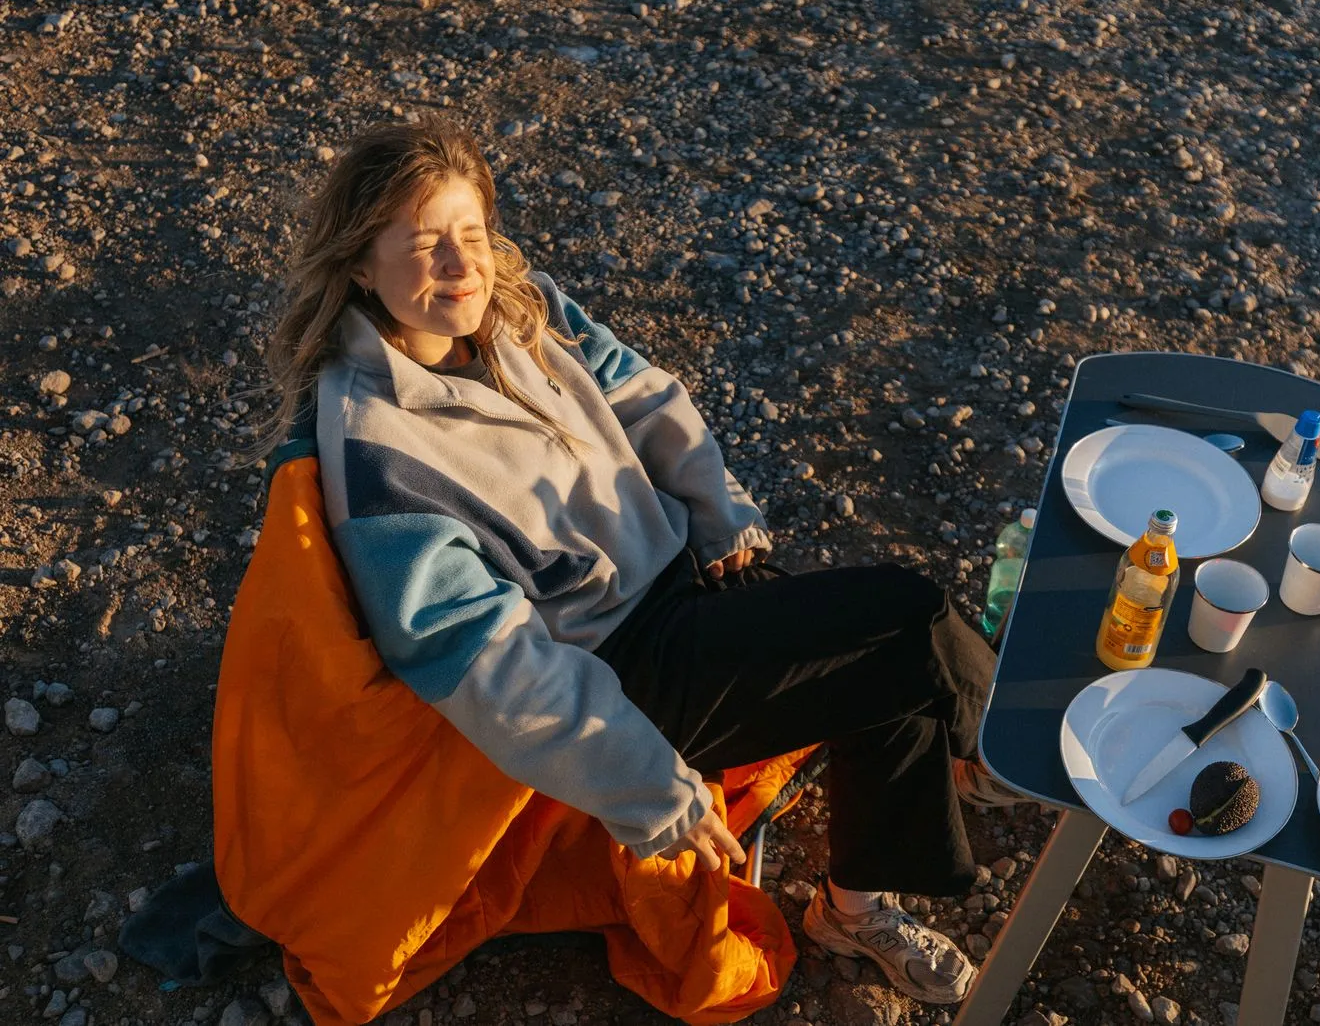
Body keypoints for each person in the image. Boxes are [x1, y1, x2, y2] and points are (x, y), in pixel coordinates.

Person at [253, 116, 1033, 1006]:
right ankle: (1009, 749)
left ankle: (853, 906)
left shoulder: (522, 306)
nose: (461, 266)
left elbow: (647, 396)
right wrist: (651, 787)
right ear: (359, 264)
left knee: (875, 660)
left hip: (688, 585)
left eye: (470, 234)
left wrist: (720, 515)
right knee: (909, 615)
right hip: (626, 672)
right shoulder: (378, 447)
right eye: (424, 245)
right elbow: (494, 671)